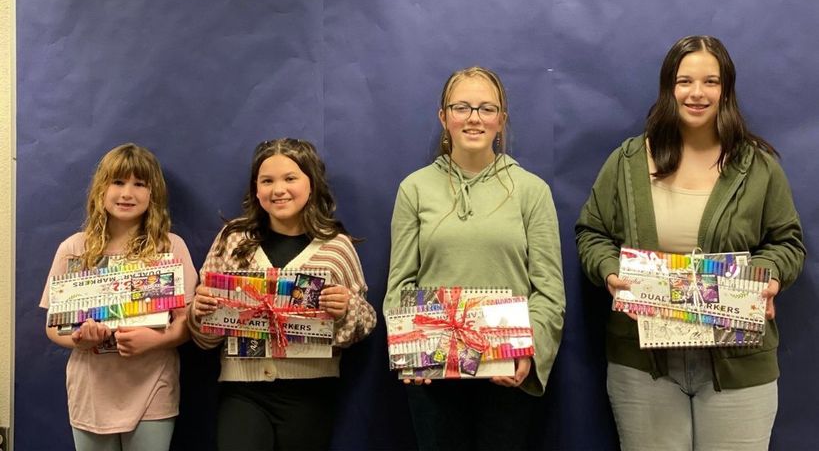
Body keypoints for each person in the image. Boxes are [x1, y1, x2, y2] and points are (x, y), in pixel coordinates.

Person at [576, 36, 805, 451]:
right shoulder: (627, 162)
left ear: (726, 90)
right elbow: (591, 233)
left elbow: (787, 243)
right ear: (669, 88)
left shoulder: (758, 166)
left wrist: (767, 279)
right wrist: (610, 272)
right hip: (644, 366)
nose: (697, 93)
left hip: (738, 363)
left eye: (710, 82)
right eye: (685, 81)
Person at [385, 66, 565, 451]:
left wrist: (528, 352)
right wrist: (407, 351)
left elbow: (549, 290)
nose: (474, 118)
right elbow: (400, 283)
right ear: (443, 117)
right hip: (433, 370)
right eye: (462, 107)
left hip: (507, 370)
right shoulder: (414, 189)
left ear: (501, 120)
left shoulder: (531, 191)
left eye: (486, 108)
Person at [189, 138, 376, 451]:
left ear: (312, 183)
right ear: (255, 189)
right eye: (267, 181)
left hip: (311, 391)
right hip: (242, 389)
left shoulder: (335, 247)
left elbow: (364, 325)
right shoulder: (233, 240)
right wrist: (201, 312)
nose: (278, 190)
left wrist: (347, 308)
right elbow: (205, 337)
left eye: (290, 178)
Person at [41, 144, 196, 451]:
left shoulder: (170, 248)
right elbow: (52, 326)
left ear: (154, 194)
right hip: (92, 391)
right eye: (118, 182)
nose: (128, 193)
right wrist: (80, 339)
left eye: (139, 184)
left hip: (153, 386)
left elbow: (187, 323)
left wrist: (156, 340)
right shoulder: (74, 250)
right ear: (101, 189)